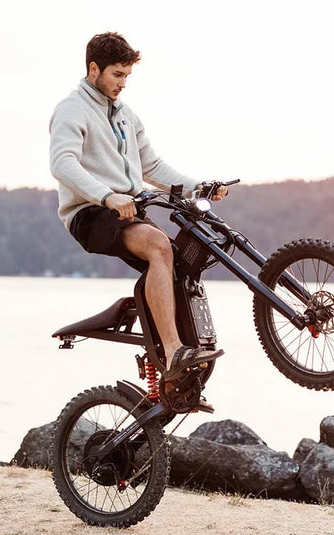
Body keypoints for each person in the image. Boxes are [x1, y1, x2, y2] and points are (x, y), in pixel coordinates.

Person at [49, 32, 227, 382]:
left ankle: (174, 369)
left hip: (127, 210)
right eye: (117, 75)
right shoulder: (72, 109)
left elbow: (152, 166)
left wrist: (197, 187)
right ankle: (174, 351)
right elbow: (62, 163)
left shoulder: (126, 115)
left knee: (182, 262)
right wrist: (107, 196)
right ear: (93, 68)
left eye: (127, 77)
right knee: (159, 247)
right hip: (91, 212)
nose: (123, 84)